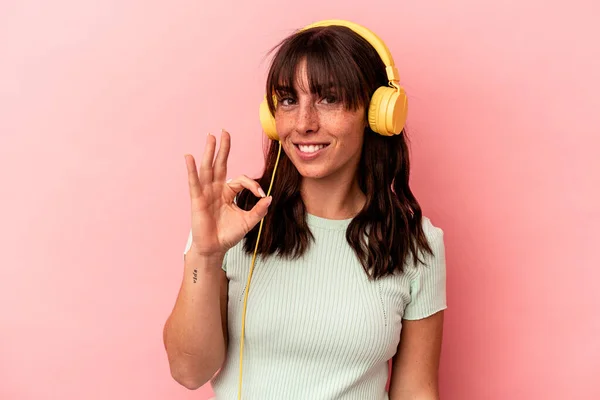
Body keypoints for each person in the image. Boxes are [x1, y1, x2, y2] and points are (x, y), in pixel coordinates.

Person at [163, 20, 447, 400]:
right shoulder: (234, 220)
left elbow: (416, 391)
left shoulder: (415, 243)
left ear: (378, 112)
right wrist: (204, 254)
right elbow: (188, 371)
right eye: (288, 100)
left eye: (328, 99)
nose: (303, 124)